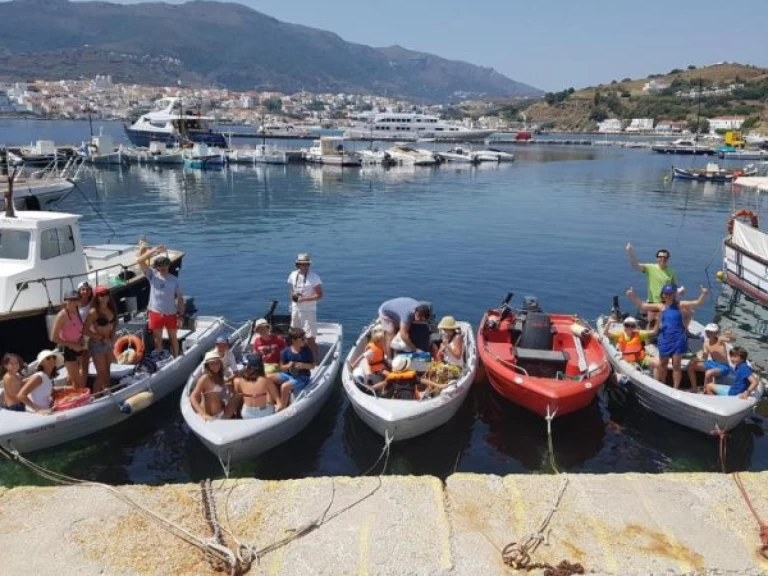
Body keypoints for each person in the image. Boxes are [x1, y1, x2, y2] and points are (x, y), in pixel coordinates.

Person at [626, 284, 709, 390]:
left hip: (678, 339)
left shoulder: (680, 304)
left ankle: (675, 388)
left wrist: (703, 294)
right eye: (666, 293)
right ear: (663, 294)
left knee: (676, 365)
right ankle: (662, 384)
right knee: (662, 364)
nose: (668, 295)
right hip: (665, 339)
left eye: (670, 293)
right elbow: (643, 305)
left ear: (674, 294)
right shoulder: (660, 306)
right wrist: (632, 295)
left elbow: (697, 303)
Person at [138, 245, 184, 357]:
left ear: (169, 265)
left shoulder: (174, 280)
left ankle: (176, 357)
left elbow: (180, 298)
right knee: (157, 339)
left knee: (173, 338)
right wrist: (153, 250)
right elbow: (139, 261)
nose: (163, 267)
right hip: (155, 313)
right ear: (156, 267)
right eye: (159, 265)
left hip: (171, 313)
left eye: (165, 264)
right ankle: (160, 357)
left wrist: (181, 315)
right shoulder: (152, 275)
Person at [626, 244, 680, 326]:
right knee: (651, 323)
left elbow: (674, 286)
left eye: (665, 257)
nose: (662, 259)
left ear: (668, 259)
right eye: (660, 257)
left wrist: (679, 291)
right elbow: (635, 265)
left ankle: (685, 330)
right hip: (653, 301)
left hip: (666, 301)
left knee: (667, 322)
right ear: (656, 258)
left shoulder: (671, 271)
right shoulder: (650, 268)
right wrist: (630, 252)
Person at [287, 253, 323, 361]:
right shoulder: (293, 275)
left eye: (307, 264)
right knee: (294, 334)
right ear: (298, 264)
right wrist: (293, 297)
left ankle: (315, 360)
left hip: (308, 311)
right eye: (303, 264)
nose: (305, 266)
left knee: (309, 337)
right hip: (295, 309)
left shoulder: (314, 277)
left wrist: (304, 299)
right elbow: (291, 290)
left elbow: (320, 295)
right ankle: (295, 356)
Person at [83, 285, 118, 394]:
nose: (105, 297)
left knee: (107, 372)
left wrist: (113, 336)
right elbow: (85, 330)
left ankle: (103, 394)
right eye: (101, 295)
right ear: (96, 297)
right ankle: (97, 396)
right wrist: (101, 338)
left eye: (107, 293)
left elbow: (115, 322)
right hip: (97, 344)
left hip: (108, 343)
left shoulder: (111, 308)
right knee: (102, 374)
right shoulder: (93, 312)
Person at [49, 290, 86, 390]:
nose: (74, 303)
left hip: (80, 348)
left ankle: (69, 393)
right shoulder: (62, 315)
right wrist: (72, 345)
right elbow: (53, 337)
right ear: (65, 301)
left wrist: (81, 339)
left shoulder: (79, 312)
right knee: (78, 382)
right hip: (68, 350)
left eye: (76, 300)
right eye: (71, 300)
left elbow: (78, 329)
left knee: (79, 378)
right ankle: (62, 391)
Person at [190, 350, 238, 421]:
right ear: (208, 365)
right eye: (212, 363)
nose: (215, 366)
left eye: (217, 363)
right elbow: (192, 397)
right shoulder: (205, 378)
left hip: (220, 413)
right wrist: (203, 415)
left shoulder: (219, 376)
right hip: (209, 416)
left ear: (220, 364)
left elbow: (218, 392)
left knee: (238, 395)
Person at [686, 323, 734, 390]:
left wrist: (730, 335)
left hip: (723, 366)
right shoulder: (706, 344)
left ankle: (706, 390)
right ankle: (694, 387)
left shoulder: (720, 339)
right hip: (713, 363)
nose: (709, 333)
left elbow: (732, 340)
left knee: (709, 373)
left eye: (711, 332)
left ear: (716, 333)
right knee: (690, 366)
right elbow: (704, 358)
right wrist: (695, 360)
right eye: (707, 331)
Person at [234, 354, 282, 419]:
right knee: (268, 395)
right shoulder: (266, 381)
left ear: (248, 366)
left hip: (246, 414)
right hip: (264, 413)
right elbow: (278, 401)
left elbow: (238, 398)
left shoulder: (238, 381)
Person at [277, 327, 315, 406]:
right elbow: (281, 367)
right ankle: (274, 401)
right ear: (294, 340)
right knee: (269, 378)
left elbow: (312, 366)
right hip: (288, 375)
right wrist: (288, 366)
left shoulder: (307, 351)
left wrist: (303, 365)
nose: (305, 340)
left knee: (284, 387)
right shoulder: (286, 351)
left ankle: (282, 407)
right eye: (302, 339)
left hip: (302, 377)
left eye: (304, 338)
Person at [18, 350, 63, 414]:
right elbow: (21, 395)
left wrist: (67, 388)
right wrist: (39, 410)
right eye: (48, 358)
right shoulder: (39, 377)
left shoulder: (45, 376)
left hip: (47, 409)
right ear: (42, 363)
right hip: (37, 413)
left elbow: (49, 389)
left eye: (54, 357)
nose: (52, 359)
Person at [76, 281, 93, 385]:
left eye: (88, 289)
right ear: (79, 291)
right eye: (83, 289)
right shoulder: (75, 305)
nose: (85, 292)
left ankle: (82, 387)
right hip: (79, 337)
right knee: (79, 366)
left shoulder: (92, 303)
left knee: (85, 364)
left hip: (91, 335)